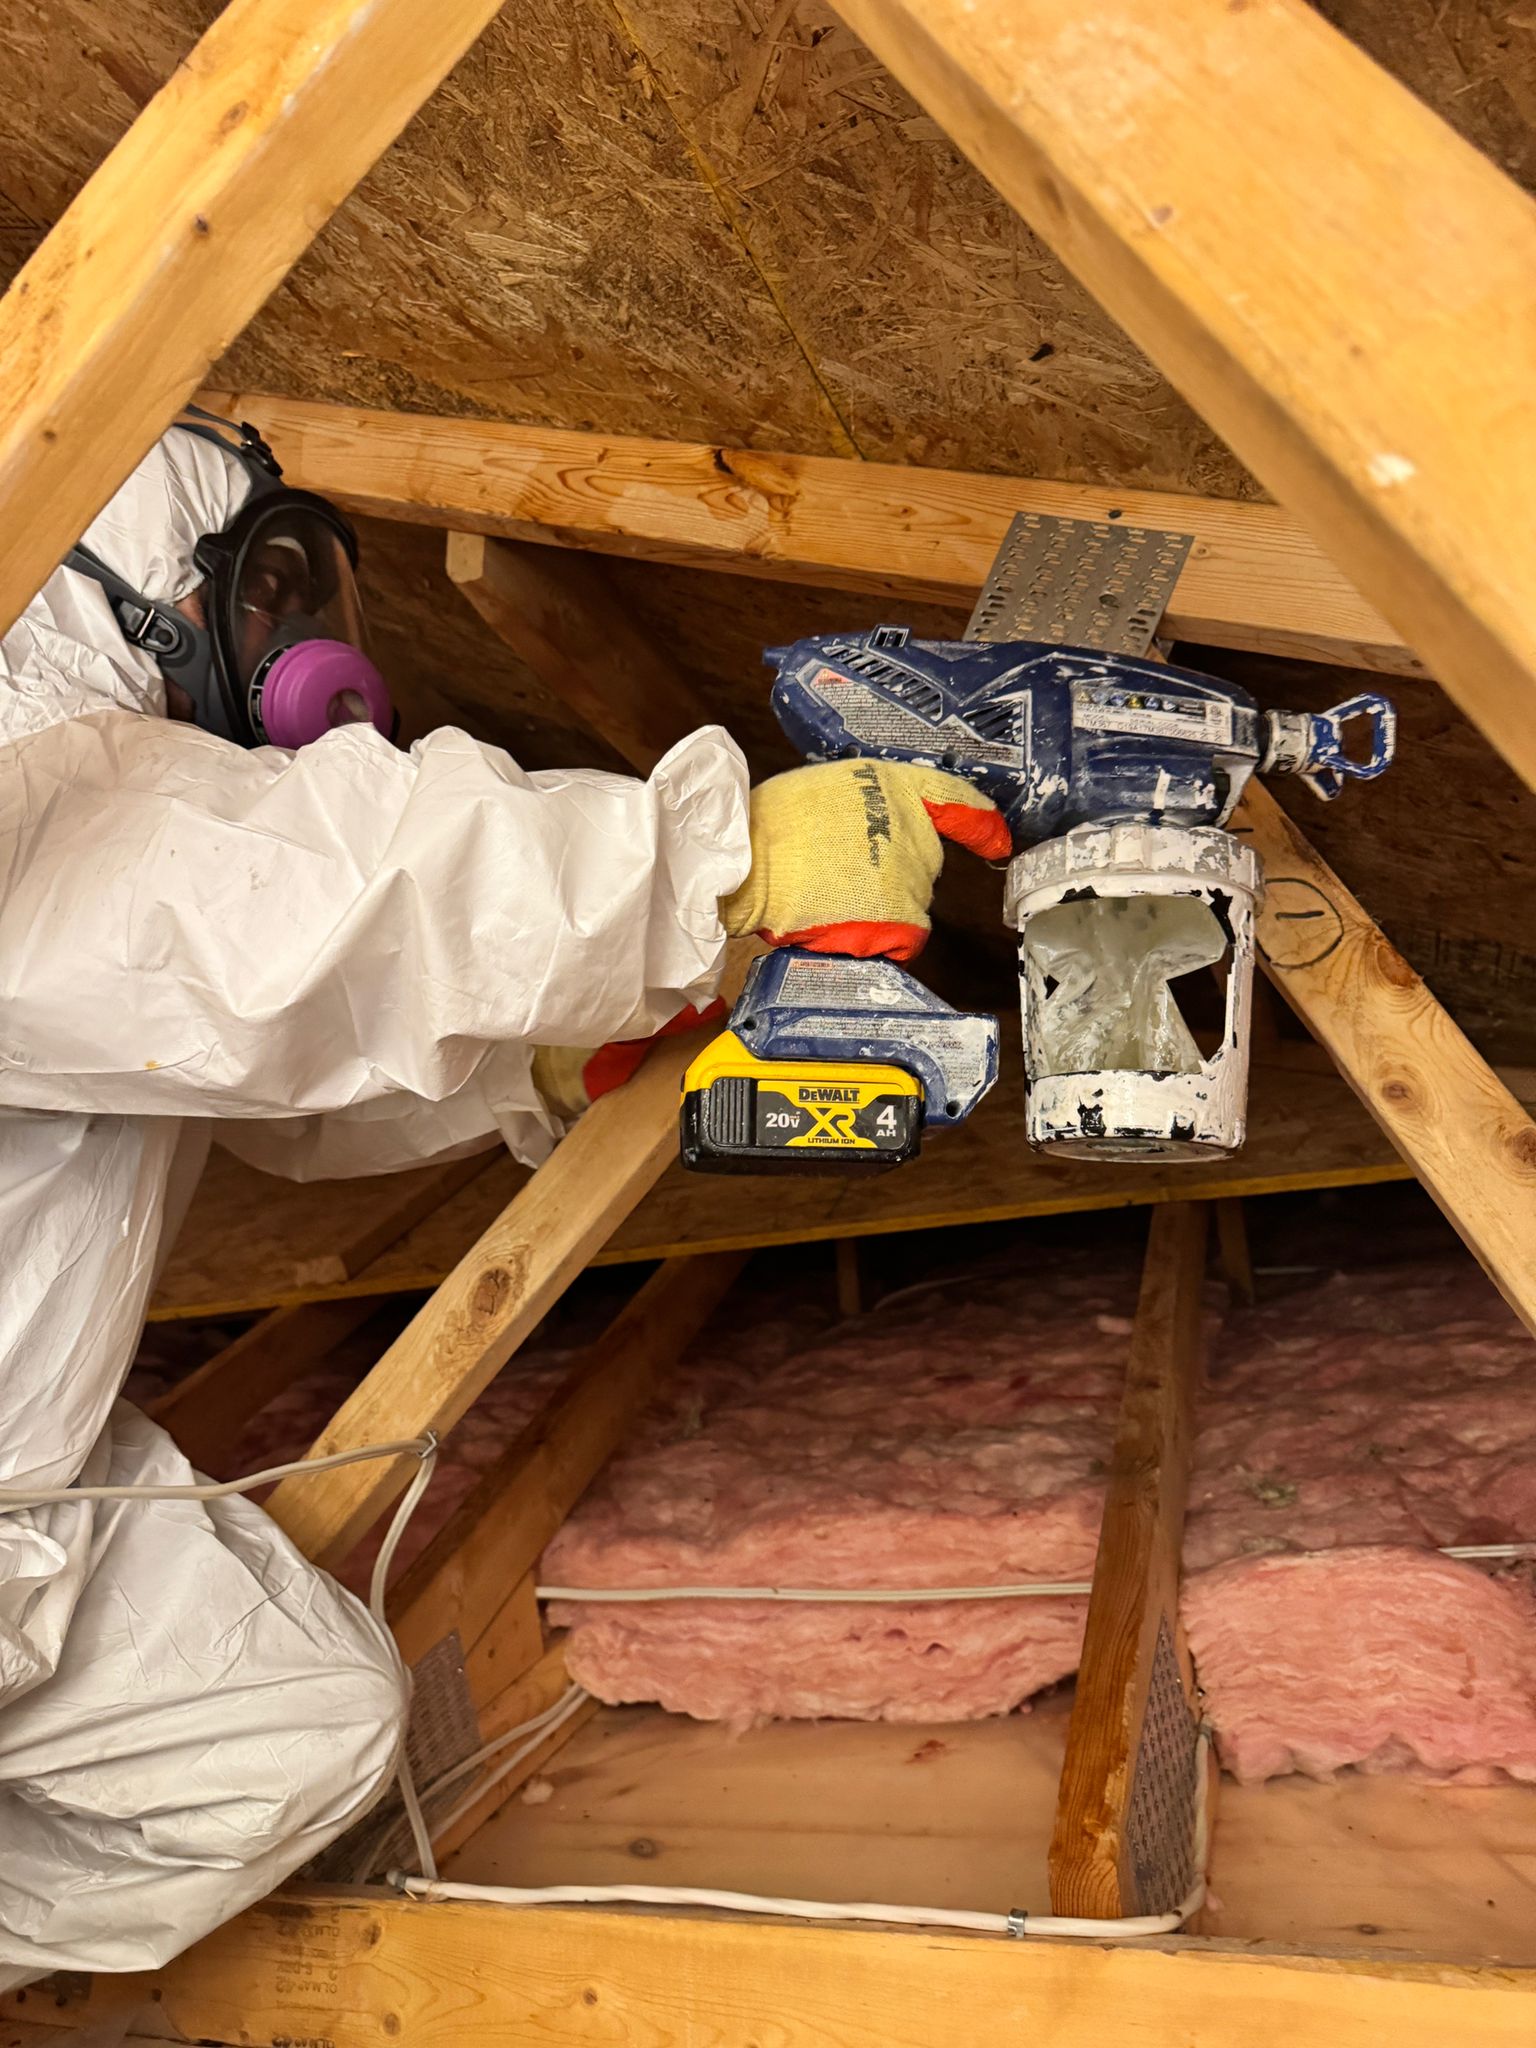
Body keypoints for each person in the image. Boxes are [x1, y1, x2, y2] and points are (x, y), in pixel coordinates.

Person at [0, 415, 1009, 1986]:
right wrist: (725, 868)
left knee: (282, 1733)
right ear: (120, 592)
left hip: (26, 1519)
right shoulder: (30, 788)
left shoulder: (117, 850)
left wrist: (529, 1074)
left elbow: (249, 1055)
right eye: (252, 595)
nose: (288, 647)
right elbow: (317, 902)